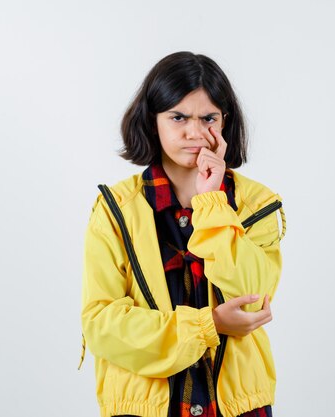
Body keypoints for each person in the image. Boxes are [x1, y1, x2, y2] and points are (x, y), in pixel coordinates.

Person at [80, 51, 285, 417]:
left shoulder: (257, 204)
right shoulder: (116, 209)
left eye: (209, 118)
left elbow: (253, 301)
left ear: (225, 123)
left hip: (237, 407)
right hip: (144, 406)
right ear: (152, 121)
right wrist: (210, 325)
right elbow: (101, 325)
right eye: (178, 117)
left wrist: (212, 203)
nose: (195, 133)